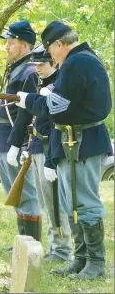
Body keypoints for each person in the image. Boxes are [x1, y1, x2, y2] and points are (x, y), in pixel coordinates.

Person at [15, 21, 112, 279]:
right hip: (74, 140)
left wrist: (30, 100)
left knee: (86, 203)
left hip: (84, 140)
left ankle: (96, 263)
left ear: (60, 44)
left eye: (50, 49)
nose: (50, 56)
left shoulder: (76, 62)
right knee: (72, 204)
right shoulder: (81, 61)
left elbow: (58, 107)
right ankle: (80, 260)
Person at [20, 44, 72, 262]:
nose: (37, 68)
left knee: (55, 203)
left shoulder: (59, 85)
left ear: (53, 62)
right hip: (38, 147)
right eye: (35, 64)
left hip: (51, 149)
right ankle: (54, 246)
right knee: (45, 202)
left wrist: (51, 159)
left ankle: (62, 250)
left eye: (41, 64)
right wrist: (26, 147)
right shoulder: (43, 84)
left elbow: (56, 124)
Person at [0, 21, 42, 245]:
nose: (6, 47)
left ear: (24, 45)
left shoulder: (30, 71)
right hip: (3, 141)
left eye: (11, 43)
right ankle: (23, 243)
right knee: (14, 194)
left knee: (26, 193)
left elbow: (26, 113)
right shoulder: (16, 69)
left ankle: (31, 245)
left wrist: (19, 145)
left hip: (15, 142)